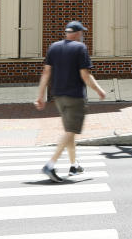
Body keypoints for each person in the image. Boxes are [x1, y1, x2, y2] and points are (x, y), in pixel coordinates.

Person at [35, 20, 107, 183]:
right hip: (75, 97)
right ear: (76, 33)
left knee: (70, 131)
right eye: (81, 32)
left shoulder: (54, 47)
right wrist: (98, 90)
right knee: (70, 132)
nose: (82, 35)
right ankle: (50, 165)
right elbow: (85, 75)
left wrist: (41, 96)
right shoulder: (80, 48)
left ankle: (74, 165)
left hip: (58, 96)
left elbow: (46, 73)